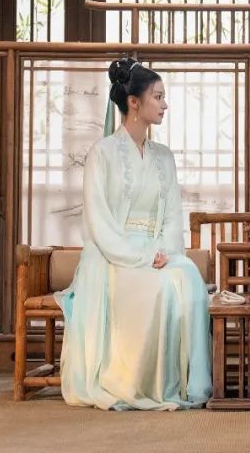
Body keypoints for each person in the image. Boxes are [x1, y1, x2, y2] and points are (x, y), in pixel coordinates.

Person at [56, 57, 212, 410]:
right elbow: (99, 221)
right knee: (158, 290)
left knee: (189, 278)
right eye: (158, 96)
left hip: (159, 251)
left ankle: (189, 384)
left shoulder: (164, 157)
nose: (165, 104)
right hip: (114, 256)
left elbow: (172, 215)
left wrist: (165, 253)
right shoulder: (102, 153)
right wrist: (139, 257)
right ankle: (138, 382)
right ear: (134, 103)